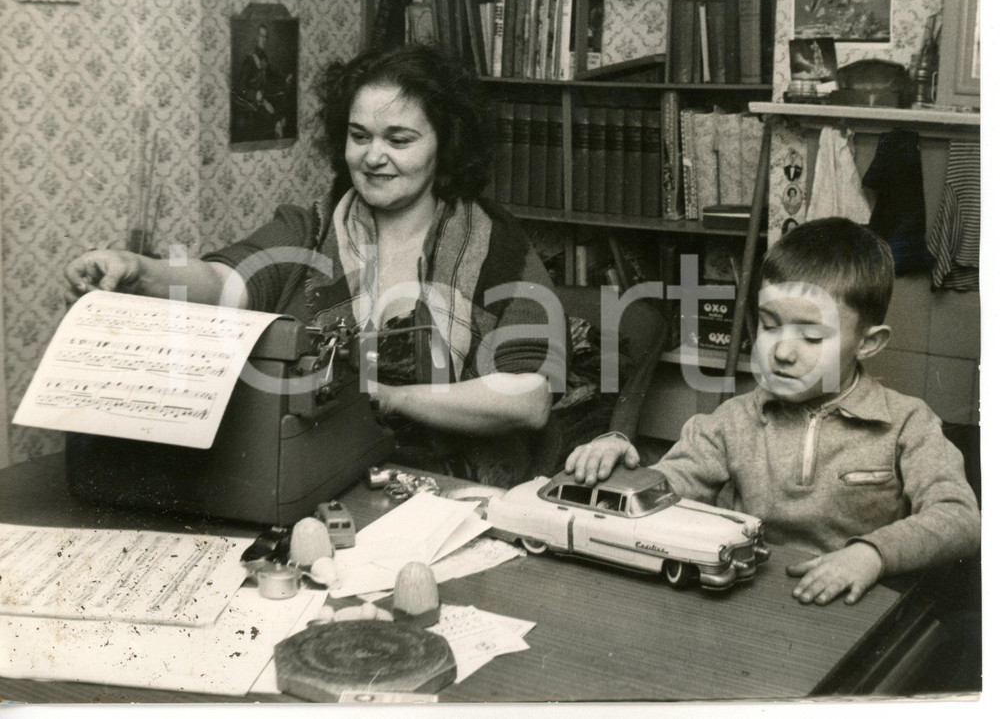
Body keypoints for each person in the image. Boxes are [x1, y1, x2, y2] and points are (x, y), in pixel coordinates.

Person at [65, 43, 563, 487]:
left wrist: (385, 398)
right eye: (359, 135)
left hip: (450, 491)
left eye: (400, 139)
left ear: (445, 145)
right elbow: (223, 283)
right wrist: (139, 271)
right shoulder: (307, 231)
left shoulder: (498, 246)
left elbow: (526, 398)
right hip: (315, 481)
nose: (373, 156)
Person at [565, 217, 980, 606]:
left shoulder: (908, 422)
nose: (781, 351)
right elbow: (666, 490)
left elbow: (960, 519)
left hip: (864, 612)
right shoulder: (730, 421)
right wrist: (623, 464)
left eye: (811, 337)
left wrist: (873, 554)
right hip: (754, 604)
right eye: (769, 325)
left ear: (868, 343)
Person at [233, 24, 293, 140]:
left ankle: (279, 125)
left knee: (281, 96)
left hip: (263, 93)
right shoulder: (250, 59)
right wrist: (254, 94)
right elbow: (240, 86)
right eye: (261, 36)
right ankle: (277, 127)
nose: (264, 39)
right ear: (256, 37)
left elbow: (272, 73)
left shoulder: (263, 57)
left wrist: (284, 78)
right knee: (271, 113)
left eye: (265, 37)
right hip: (250, 98)